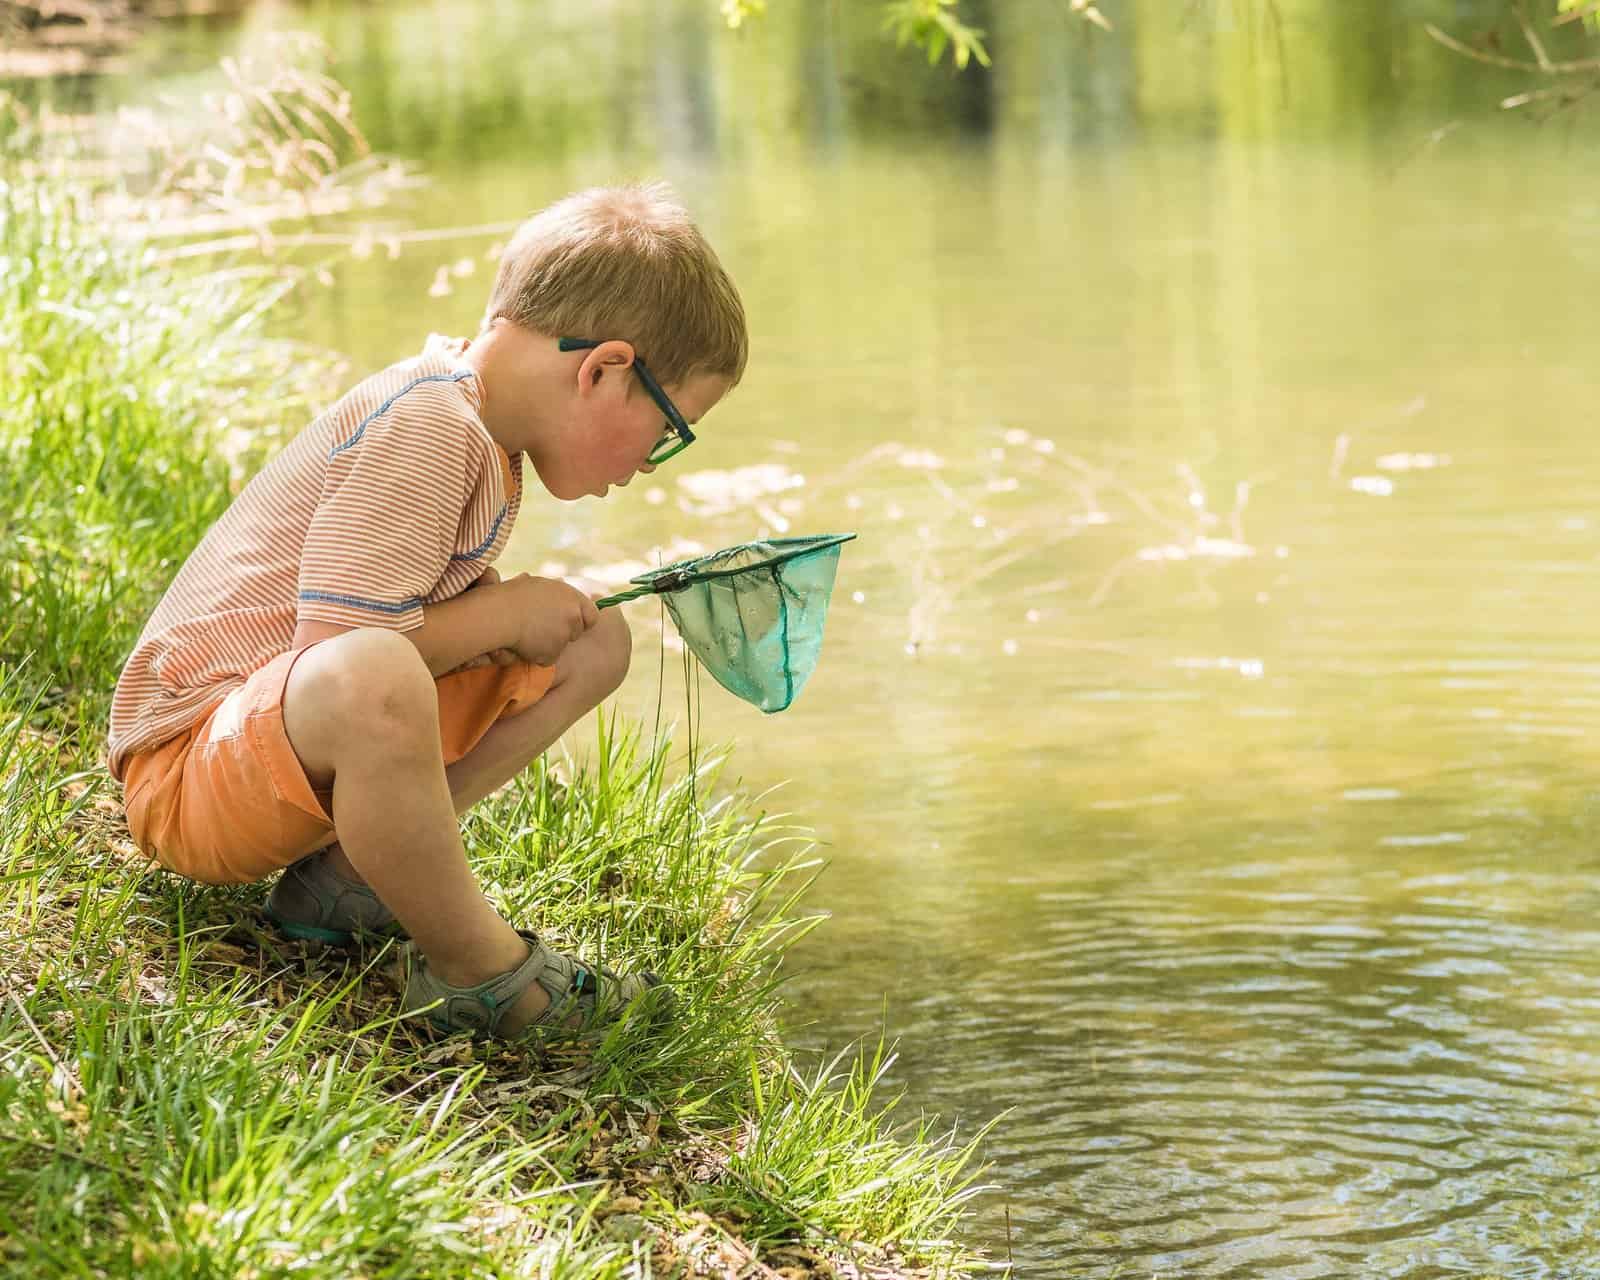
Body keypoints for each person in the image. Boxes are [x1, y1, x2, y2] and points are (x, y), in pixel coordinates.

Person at [106, 183, 746, 1040]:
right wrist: (506, 613)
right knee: (375, 673)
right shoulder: (431, 424)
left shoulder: (485, 437)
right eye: (671, 428)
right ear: (604, 370)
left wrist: (514, 617)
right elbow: (343, 655)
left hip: (278, 741)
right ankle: (481, 974)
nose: (654, 461)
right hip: (190, 772)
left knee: (594, 640)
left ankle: (352, 882)